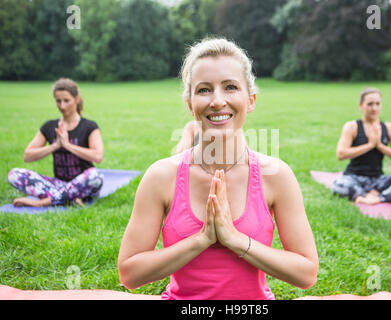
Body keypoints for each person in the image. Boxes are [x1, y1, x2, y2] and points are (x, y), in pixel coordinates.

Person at [118, 38, 318, 300]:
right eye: (203, 90)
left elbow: (306, 273)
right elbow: (130, 274)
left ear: (251, 100)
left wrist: (235, 240)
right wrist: (201, 240)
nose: (217, 101)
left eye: (230, 87)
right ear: (190, 104)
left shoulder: (276, 175)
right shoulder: (161, 176)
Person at [8, 78, 104, 207]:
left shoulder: (89, 126)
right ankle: (69, 197)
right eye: (58, 101)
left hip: (83, 183)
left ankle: (45, 202)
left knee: (96, 176)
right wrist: (55, 146)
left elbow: (98, 156)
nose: (62, 106)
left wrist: (68, 145)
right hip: (57, 184)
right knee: (14, 174)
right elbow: (28, 156)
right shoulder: (49, 126)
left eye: (66, 101)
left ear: (77, 99)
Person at [332, 88, 391, 205]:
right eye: (370, 104)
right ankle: (366, 195)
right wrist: (369, 145)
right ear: (361, 105)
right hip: (354, 177)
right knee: (339, 185)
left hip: (378, 180)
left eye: (377, 104)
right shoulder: (352, 126)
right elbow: (341, 154)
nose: (374, 108)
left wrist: (380, 146)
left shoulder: (389, 128)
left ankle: (378, 197)